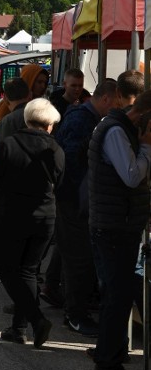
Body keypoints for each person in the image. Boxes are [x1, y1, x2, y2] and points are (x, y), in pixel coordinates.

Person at [0, 98, 64, 348]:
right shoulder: (56, 151)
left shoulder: (8, 145)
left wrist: (1, 203)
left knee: (7, 269)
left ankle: (35, 320)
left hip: (12, 216)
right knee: (28, 270)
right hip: (45, 217)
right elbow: (59, 184)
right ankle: (19, 329)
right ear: (49, 126)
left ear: (27, 119)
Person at [86, 89, 151, 370]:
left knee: (117, 297)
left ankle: (109, 362)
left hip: (116, 225)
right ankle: (108, 368)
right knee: (117, 298)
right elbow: (130, 175)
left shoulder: (118, 128)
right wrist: (147, 149)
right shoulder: (115, 131)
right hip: (113, 228)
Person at [53, 79, 118, 337]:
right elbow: (69, 160)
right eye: (116, 104)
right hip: (73, 200)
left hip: (77, 200)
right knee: (78, 258)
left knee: (75, 255)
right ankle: (74, 314)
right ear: (106, 99)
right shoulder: (82, 119)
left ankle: (72, 306)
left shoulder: (86, 118)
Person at [0, 78, 31, 146]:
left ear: (5, 98)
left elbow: (0, 151)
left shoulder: (5, 123)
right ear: (29, 95)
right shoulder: (42, 115)